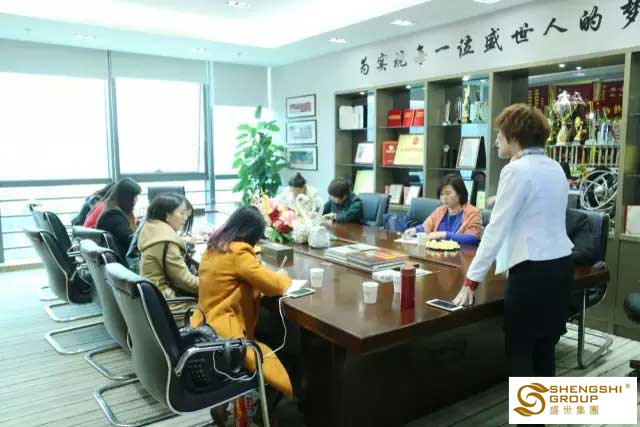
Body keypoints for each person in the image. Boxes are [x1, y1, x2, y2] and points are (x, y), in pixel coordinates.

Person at [453, 103, 574, 380]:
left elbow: (495, 230)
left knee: (520, 352)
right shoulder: (555, 167)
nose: (496, 139)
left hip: (532, 273)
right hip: (560, 267)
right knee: (544, 350)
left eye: (500, 134)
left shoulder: (516, 171)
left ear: (515, 137)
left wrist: (471, 281)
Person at [192, 206, 297, 400]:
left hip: (203, 323)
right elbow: (274, 285)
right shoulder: (239, 252)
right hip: (226, 335)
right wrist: (283, 276)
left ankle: (222, 406)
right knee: (278, 351)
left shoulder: (215, 246)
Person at [137, 193, 198, 298]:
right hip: (170, 300)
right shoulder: (166, 241)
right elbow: (187, 282)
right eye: (182, 213)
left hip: (154, 296)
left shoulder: (151, 228)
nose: (185, 218)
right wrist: (215, 283)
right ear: (168, 215)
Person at [404, 174, 482, 245]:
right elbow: (426, 226)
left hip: (460, 254)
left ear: (459, 194)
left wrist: (444, 234)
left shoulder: (473, 212)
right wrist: (415, 230)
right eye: (441, 194)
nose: (444, 198)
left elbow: (473, 238)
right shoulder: (440, 210)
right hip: (436, 253)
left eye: (448, 193)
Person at [96, 177, 142, 258]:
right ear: (127, 198)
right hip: (123, 261)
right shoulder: (112, 216)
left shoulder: (111, 210)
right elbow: (131, 241)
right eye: (135, 197)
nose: (136, 200)